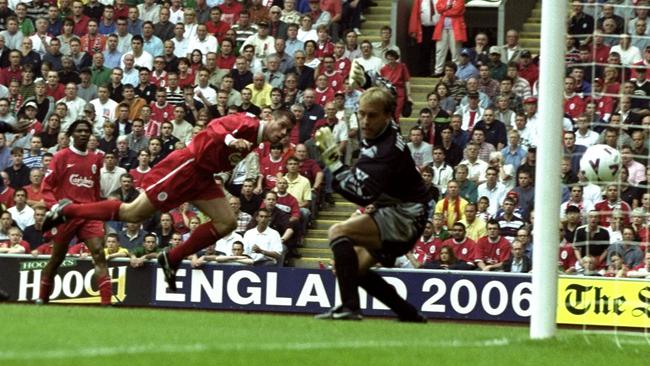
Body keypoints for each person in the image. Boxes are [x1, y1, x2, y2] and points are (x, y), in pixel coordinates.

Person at [43, 111, 295, 291]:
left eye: (287, 132)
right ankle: (69, 210)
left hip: (203, 177)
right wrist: (231, 140)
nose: (282, 133)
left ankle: (171, 258)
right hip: (186, 167)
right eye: (281, 126)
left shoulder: (256, 140)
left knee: (227, 222)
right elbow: (215, 127)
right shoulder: (248, 122)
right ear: (270, 118)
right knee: (133, 213)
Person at [313, 87, 429, 322]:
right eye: (361, 114)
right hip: (401, 208)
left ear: (387, 115)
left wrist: (335, 165)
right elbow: (386, 92)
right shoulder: (389, 126)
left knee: (337, 232)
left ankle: (349, 307)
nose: (365, 121)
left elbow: (363, 195)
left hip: (406, 214)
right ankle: (409, 314)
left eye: (372, 115)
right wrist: (362, 81)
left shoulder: (384, 152)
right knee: (352, 268)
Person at [37, 119, 111, 306]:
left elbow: (95, 191)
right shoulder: (61, 157)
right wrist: (55, 206)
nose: (84, 134)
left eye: (87, 131)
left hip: (88, 214)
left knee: (98, 253)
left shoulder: (95, 159)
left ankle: (107, 303)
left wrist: (98, 214)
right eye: (79, 131)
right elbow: (47, 186)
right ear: (71, 134)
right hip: (66, 215)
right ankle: (42, 297)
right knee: (57, 258)